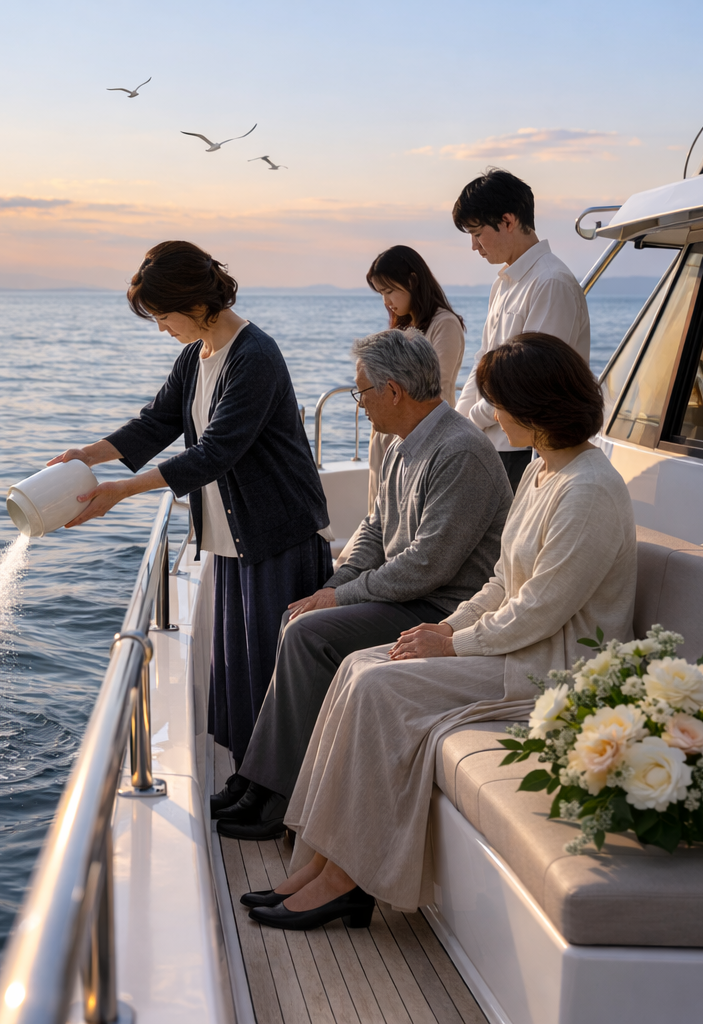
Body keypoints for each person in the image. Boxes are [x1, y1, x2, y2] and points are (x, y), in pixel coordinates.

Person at [243, 333, 635, 932]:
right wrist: (445, 627)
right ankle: (322, 859)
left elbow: (538, 610)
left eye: (498, 401)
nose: (490, 414)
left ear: (535, 406)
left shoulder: (589, 491)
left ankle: (349, 879)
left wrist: (451, 644)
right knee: (358, 668)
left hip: (550, 668)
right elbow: (504, 582)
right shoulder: (543, 470)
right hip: (513, 645)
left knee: (379, 688)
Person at [48, 240, 331, 779]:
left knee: (274, 675)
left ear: (194, 301)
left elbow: (215, 453)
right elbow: (157, 422)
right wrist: (91, 453)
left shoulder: (254, 356)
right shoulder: (196, 354)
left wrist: (119, 492)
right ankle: (252, 781)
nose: (160, 327)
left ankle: (280, 795)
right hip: (231, 538)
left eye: (162, 315)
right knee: (239, 673)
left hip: (277, 534)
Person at [213, 329, 511, 840]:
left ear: (393, 391)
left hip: (442, 609)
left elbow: (427, 566)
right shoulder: (404, 443)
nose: (359, 404)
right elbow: (375, 530)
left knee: (310, 634)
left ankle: (274, 795)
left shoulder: (460, 450)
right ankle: (264, 781)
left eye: (362, 391)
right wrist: (333, 586)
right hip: (412, 595)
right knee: (300, 616)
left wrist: (338, 596)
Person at [453, 168, 591, 490]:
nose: (474, 246)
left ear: (508, 221)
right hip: (493, 442)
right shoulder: (503, 285)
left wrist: (469, 423)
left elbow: (527, 382)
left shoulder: (551, 283)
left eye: (477, 233)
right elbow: (482, 363)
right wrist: (458, 424)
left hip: (528, 449)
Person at [362, 246, 465, 509]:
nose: (386, 301)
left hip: (423, 442)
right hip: (392, 439)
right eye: (381, 293)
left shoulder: (444, 324)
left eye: (389, 290)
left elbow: (433, 389)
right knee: (381, 518)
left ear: (412, 280)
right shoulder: (405, 327)